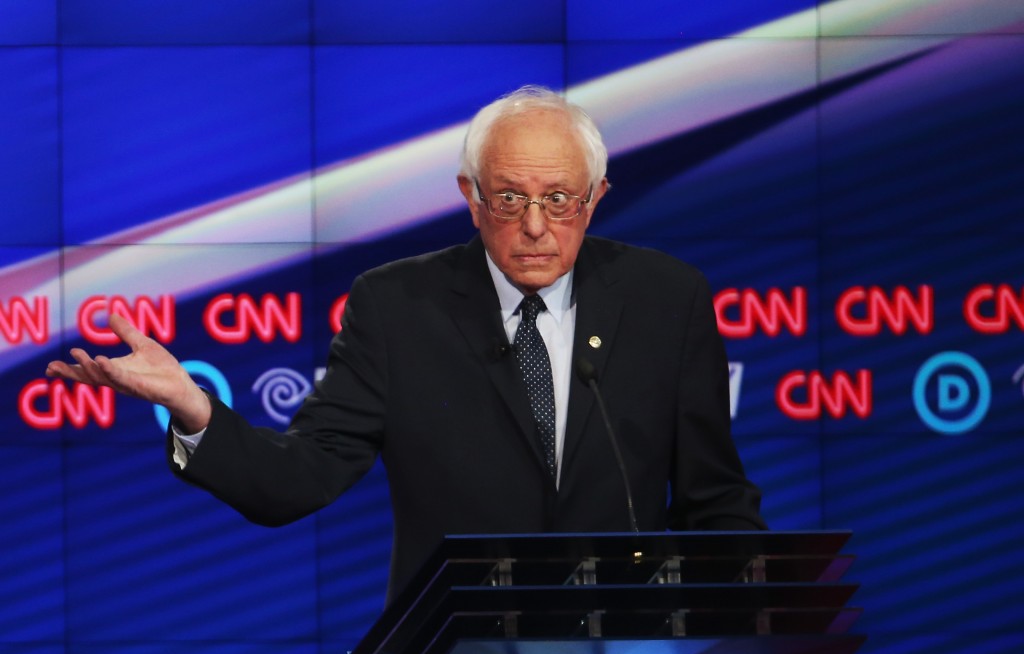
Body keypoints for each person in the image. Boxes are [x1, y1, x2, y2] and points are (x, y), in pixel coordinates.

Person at [47, 85, 766, 603]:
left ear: (597, 196)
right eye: (511, 199)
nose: (538, 226)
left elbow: (715, 497)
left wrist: (748, 623)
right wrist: (192, 408)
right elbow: (299, 478)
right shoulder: (396, 306)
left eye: (560, 199)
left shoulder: (665, 299)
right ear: (472, 196)